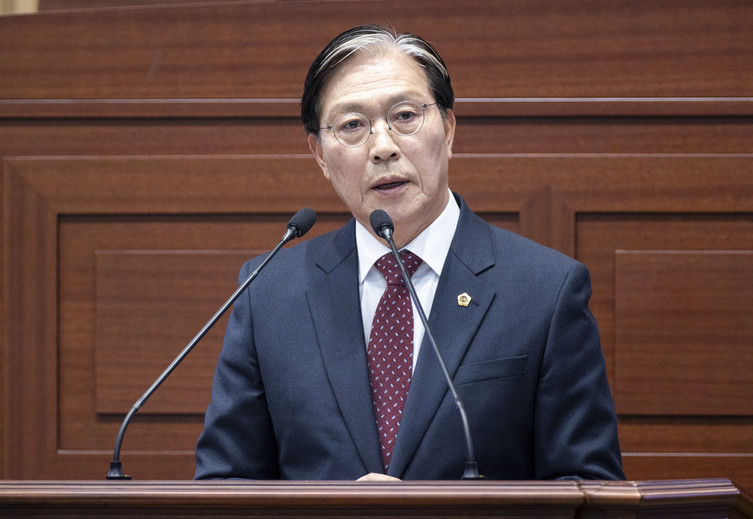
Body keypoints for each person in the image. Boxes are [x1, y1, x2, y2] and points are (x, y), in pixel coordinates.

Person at [194, 25, 624, 481]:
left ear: (448, 129)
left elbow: (587, 489)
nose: (383, 148)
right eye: (352, 125)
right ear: (319, 155)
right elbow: (225, 485)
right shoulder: (268, 294)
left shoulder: (545, 290)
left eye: (404, 115)